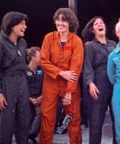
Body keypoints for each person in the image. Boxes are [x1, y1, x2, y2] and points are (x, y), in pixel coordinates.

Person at [39, 8, 84, 144]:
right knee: (47, 117)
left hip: (70, 84)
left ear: (70, 22)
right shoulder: (48, 38)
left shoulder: (76, 41)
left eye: (63, 20)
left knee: (73, 117)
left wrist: (69, 92)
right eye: (58, 20)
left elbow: (76, 67)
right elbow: (43, 61)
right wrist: (60, 72)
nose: (60, 23)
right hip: (51, 82)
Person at [0, 11, 30, 144]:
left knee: (24, 122)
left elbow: (23, 65)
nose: (25, 27)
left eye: (25, 24)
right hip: (6, 85)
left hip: (22, 85)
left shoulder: (23, 43)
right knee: (4, 125)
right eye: (22, 24)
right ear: (11, 25)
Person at [82, 16, 117, 144]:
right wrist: (90, 83)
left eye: (102, 23)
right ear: (93, 30)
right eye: (96, 24)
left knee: (118, 120)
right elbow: (87, 66)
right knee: (96, 121)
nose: (100, 25)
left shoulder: (114, 44)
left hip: (114, 84)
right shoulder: (90, 46)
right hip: (98, 83)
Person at [26, 46, 43, 144]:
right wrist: (29, 98)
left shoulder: (42, 71)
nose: (42, 57)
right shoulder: (23, 70)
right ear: (33, 57)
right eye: (40, 56)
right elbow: (21, 88)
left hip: (39, 99)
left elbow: (46, 85)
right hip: (27, 98)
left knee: (41, 111)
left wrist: (42, 96)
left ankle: (32, 135)